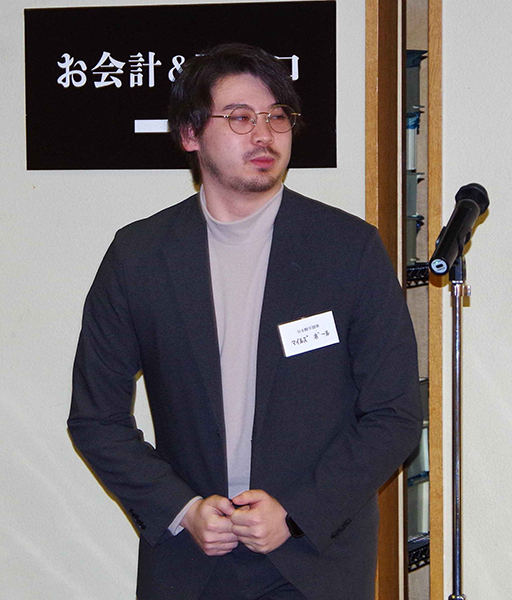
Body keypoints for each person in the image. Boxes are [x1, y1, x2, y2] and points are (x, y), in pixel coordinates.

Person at [68, 43, 421, 600]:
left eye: (277, 117)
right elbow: (96, 418)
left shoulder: (347, 249)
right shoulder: (140, 256)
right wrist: (182, 509)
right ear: (190, 134)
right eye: (239, 118)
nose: (264, 135)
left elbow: (394, 412)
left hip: (312, 561)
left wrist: (298, 512)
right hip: (191, 561)